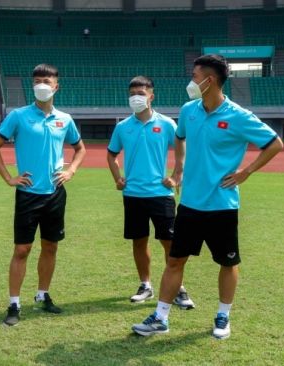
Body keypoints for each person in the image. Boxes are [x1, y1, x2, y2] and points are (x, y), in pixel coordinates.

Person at [132, 54, 283, 340]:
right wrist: (178, 171)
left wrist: (246, 172)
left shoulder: (238, 116)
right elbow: (180, 136)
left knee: (228, 263)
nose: (191, 81)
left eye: (195, 75)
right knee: (175, 261)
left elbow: (275, 143)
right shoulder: (189, 110)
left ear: (209, 80)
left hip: (222, 205)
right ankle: (160, 317)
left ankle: (223, 316)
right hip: (189, 204)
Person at [0, 64, 86, 327]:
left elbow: (80, 149)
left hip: (55, 193)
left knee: (50, 246)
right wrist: (9, 178)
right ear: (33, 85)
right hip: (28, 194)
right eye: (38, 80)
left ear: (56, 86)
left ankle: (43, 295)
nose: (42, 84)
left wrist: (71, 170)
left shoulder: (65, 119)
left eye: (47, 80)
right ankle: (14, 303)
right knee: (22, 249)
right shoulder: (18, 116)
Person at [106, 76, 195, 310]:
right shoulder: (122, 127)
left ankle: (178, 288)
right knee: (139, 241)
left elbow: (182, 151)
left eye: (141, 93)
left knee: (170, 242)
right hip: (133, 194)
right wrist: (117, 178)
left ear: (151, 96)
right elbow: (111, 154)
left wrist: (176, 177)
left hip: (160, 194)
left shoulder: (166, 124)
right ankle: (145, 285)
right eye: (133, 93)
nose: (137, 97)